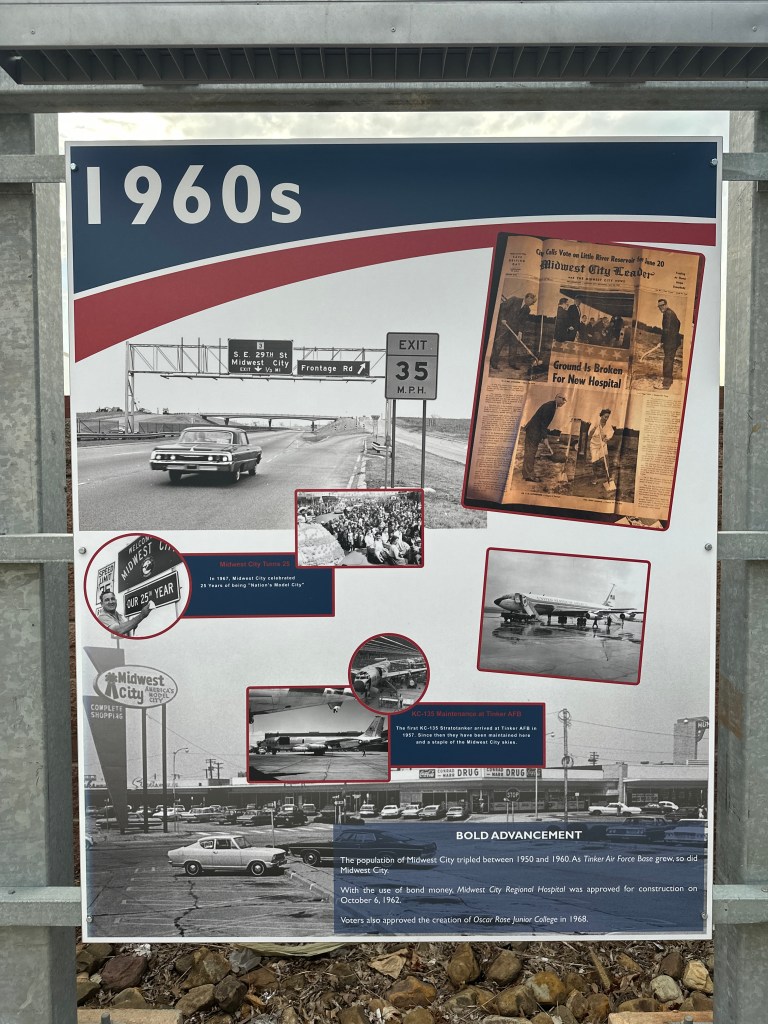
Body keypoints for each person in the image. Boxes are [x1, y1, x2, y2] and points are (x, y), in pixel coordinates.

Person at [522, 394, 566, 481]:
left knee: (530, 452)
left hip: (534, 431)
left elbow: (543, 424)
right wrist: (545, 438)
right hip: (533, 432)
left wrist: (544, 436)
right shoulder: (550, 406)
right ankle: (529, 475)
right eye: (563, 399)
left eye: (565, 400)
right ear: (557, 398)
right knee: (531, 453)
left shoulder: (552, 406)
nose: (564, 402)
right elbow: (543, 423)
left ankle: (526, 474)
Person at [490, 292, 536, 369]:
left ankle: (512, 363)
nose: (532, 304)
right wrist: (502, 318)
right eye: (532, 302)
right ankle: (493, 362)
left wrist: (520, 332)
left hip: (515, 330)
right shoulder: (514, 300)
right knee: (499, 344)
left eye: (533, 303)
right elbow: (502, 307)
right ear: (528, 298)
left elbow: (522, 322)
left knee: (514, 346)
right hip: (504, 326)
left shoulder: (527, 309)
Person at [655, 298, 682, 390]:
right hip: (673, 341)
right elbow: (679, 323)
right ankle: (669, 381)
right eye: (659, 306)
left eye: (662, 305)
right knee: (669, 360)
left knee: (667, 362)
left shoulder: (668, 314)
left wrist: (662, 341)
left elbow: (666, 330)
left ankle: (666, 384)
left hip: (671, 342)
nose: (660, 308)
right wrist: (675, 334)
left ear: (666, 305)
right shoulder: (671, 313)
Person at [588, 408, 615, 481]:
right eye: (605, 416)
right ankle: (595, 476)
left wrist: (607, 438)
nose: (606, 418)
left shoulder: (608, 425)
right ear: (601, 415)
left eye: (608, 417)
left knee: (606, 459)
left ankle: (608, 476)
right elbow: (589, 434)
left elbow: (611, 432)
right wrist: (594, 429)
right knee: (594, 460)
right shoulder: (595, 423)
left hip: (602, 444)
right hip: (594, 444)